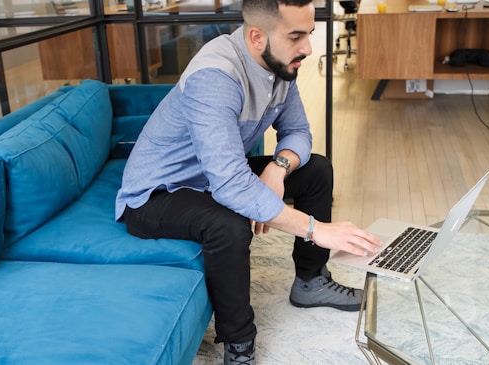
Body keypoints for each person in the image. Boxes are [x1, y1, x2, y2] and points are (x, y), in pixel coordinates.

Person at [115, 0, 382, 362]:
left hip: (212, 178)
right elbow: (231, 186)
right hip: (156, 194)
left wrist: (278, 166)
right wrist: (314, 228)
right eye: (296, 36)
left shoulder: (281, 64)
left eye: (309, 35)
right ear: (257, 36)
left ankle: (311, 281)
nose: (306, 48)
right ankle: (239, 343)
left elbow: (299, 132)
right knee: (229, 221)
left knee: (315, 169)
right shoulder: (215, 77)